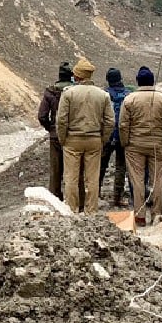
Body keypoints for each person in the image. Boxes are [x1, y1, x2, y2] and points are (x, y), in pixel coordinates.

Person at [118, 66, 162, 227]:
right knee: (158, 180)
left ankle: (140, 216)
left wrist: (125, 142)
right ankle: (157, 214)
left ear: (138, 81)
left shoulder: (129, 99)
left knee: (137, 181)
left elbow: (123, 125)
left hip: (135, 146)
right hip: (158, 145)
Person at [55, 58, 114, 214]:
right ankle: (91, 210)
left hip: (72, 140)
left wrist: (63, 139)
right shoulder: (103, 95)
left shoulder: (68, 93)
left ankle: (72, 210)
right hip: (94, 139)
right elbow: (110, 121)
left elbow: (61, 120)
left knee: (71, 178)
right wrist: (103, 139)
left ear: (77, 76)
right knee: (92, 178)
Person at [37, 61, 74, 200]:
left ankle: (55, 198)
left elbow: (42, 116)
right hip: (72, 135)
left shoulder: (50, 91)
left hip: (55, 135)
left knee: (55, 171)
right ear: (70, 76)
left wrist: (50, 128)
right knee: (73, 169)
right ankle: (74, 200)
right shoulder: (75, 90)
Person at [99, 68, 130, 207]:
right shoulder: (128, 95)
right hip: (123, 135)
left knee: (101, 165)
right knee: (120, 167)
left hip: (107, 134)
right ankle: (118, 197)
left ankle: (95, 192)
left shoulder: (103, 95)